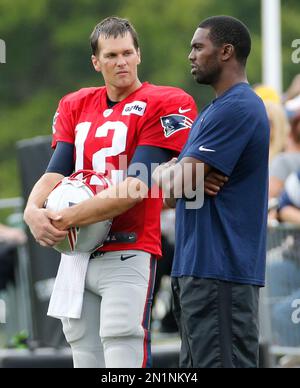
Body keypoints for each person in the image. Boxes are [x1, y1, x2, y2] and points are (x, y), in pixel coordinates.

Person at [23, 16, 226, 368]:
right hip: (77, 255)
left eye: (128, 53)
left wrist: (62, 219)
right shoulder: (75, 103)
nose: (122, 62)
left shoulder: (165, 101)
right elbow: (56, 170)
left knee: (122, 348)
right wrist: (31, 210)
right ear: (95, 62)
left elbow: (136, 185)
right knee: (84, 353)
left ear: (139, 55)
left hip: (128, 247)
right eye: (112, 55)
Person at [153, 16, 270, 368]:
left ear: (226, 52)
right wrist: (172, 173)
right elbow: (172, 193)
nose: (190, 55)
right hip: (198, 271)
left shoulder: (237, 108)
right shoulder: (213, 111)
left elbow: (174, 186)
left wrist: (172, 173)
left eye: (198, 46)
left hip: (220, 271)